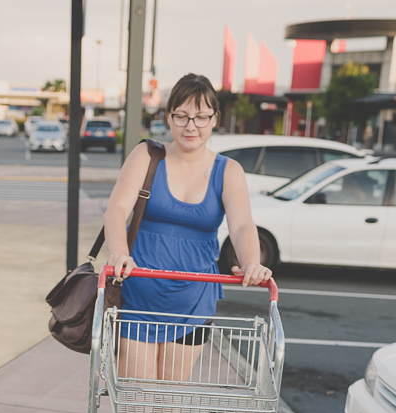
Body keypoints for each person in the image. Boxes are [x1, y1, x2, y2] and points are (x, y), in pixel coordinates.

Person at [104, 72, 272, 381]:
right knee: (136, 403)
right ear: (168, 117)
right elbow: (116, 210)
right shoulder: (147, 156)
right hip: (138, 291)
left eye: (200, 117)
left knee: (173, 401)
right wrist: (118, 254)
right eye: (181, 116)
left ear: (214, 119)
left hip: (193, 299)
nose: (190, 126)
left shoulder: (228, 171)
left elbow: (242, 225)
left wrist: (251, 262)